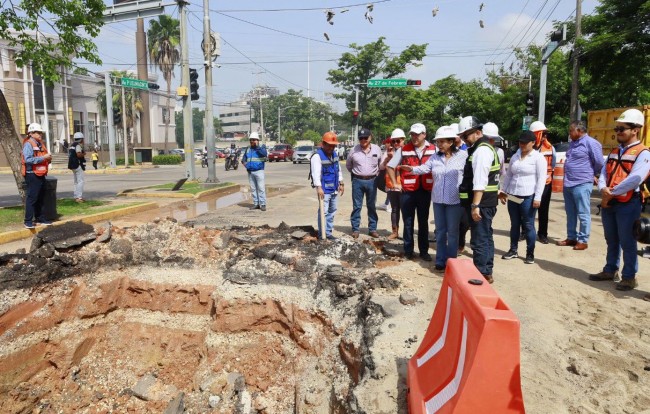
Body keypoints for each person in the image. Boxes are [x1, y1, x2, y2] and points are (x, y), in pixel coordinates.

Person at [589, 109, 650, 291]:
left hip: (628, 203)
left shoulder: (643, 153)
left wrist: (610, 192)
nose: (618, 132)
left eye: (622, 129)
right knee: (611, 239)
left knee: (627, 241)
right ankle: (610, 270)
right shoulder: (615, 151)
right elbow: (604, 174)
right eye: (617, 129)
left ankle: (629, 277)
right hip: (611, 201)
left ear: (635, 130)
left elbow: (636, 178)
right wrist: (603, 188)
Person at [400, 126, 467, 270]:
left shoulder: (462, 156)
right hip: (438, 200)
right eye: (438, 142)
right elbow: (424, 168)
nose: (439, 145)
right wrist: (411, 169)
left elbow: (470, 174)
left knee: (453, 232)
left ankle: (452, 261)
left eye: (442, 142)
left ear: (451, 142)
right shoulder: (435, 157)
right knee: (441, 232)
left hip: (454, 200)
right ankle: (440, 260)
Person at [458, 116, 500, 283]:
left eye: (465, 136)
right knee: (486, 237)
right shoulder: (483, 148)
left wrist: (475, 205)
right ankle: (486, 271)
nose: (463, 140)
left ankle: (481, 273)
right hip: (487, 202)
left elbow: (480, 181)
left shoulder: (481, 151)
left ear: (477, 133)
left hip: (481, 203)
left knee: (479, 239)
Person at [386, 123, 437, 260]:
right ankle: (408, 250)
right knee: (408, 222)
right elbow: (390, 166)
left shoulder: (434, 149)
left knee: (423, 222)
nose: (414, 137)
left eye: (417, 134)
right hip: (407, 191)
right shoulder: (403, 149)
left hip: (425, 191)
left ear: (424, 134)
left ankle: (424, 251)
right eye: (412, 134)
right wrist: (396, 183)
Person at [498, 131, 547, 264]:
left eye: (525, 143)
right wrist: (503, 191)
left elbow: (542, 179)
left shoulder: (538, 158)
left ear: (533, 143)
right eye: (520, 142)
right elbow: (508, 176)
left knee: (528, 225)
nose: (522, 145)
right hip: (513, 195)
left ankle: (530, 253)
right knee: (514, 224)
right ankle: (513, 250)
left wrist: (538, 197)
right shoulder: (515, 156)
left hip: (528, 196)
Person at [557, 120, 604, 250]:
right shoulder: (573, 143)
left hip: (582, 183)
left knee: (583, 213)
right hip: (569, 183)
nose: (569, 133)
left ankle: (583, 240)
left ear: (580, 130)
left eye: (571, 130)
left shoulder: (591, 143)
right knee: (570, 213)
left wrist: (591, 173)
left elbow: (599, 162)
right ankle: (571, 237)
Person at [346, 128, 382, 238]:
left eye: (365, 138)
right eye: (361, 138)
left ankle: (372, 229)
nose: (363, 140)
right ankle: (356, 229)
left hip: (372, 181)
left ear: (370, 137)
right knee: (357, 206)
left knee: (371, 206)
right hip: (357, 181)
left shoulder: (377, 149)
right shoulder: (353, 150)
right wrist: (358, 174)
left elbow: (380, 165)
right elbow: (349, 165)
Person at [310, 132, 345, 240]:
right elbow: (315, 174)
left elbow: (338, 170)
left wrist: (341, 183)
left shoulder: (334, 154)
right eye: (329, 145)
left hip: (334, 189)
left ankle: (328, 233)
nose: (331, 147)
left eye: (333, 145)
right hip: (324, 190)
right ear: (323, 144)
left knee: (332, 211)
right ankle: (322, 235)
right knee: (323, 212)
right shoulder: (317, 156)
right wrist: (319, 188)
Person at [21, 123, 53, 228]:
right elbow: (28, 160)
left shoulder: (39, 144)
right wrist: (44, 158)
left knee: (40, 197)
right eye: (38, 132)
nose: (40, 134)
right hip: (32, 174)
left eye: (40, 132)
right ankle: (28, 221)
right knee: (32, 198)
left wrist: (47, 159)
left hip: (40, 174)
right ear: (31, 133)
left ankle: (41, 218)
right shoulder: (28, 144)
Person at [529, 121, 556, 244]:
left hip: (545, 183)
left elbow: (553, 165)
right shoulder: (527, 147)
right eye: (542, 133)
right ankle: (525, 232)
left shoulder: (550, 148)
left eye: (546, 134)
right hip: (530, 184)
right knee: (527, 210)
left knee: (543, 210)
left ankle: (542, 234)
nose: (545, 136)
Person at [380, 129, 406, 240]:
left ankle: (407, 233)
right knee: (394, 209)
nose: (395, 143)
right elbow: (381, 167)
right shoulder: (388, 152)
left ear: (403, 140)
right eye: (393, 141)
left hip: (404, 186)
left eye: (398, 141)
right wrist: (388, 158)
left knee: (406, 210)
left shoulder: (407, 152)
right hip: (391, 186)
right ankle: (395, 231)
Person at [241, 132, 268, 211]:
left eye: (253, 140)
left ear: (257, 140)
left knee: (261, 188)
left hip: (259, 171)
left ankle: (262, 204)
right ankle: (256, 204)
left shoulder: (261, 148)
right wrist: (246, 166)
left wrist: (257, 147)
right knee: (253, 189)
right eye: (251, 140)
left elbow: (264, 154)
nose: (252, 141)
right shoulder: (248, 149)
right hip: (250, 172)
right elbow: (243, 159)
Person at [69, 132, 86, 203]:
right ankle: (79, 197)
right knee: (80, 181)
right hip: (77, 165)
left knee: (76, 182)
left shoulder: (72, 145)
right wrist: (84, 154)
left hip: (72, 165)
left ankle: (76, 196)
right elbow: (78, 155)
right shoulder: (78, 146)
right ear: (81, 139)